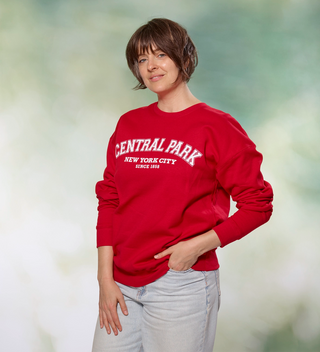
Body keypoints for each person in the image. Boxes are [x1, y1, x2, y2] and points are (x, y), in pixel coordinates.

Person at [92, 18, 273, 352]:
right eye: (141, 59)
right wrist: (105, 277)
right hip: (122, 281)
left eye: (160, 55)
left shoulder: (216, 127)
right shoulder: (129, 124)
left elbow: (258, 205)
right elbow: (110, 199)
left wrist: (197, 246)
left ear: (183, 59)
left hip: (180, 283)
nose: (150, 66)